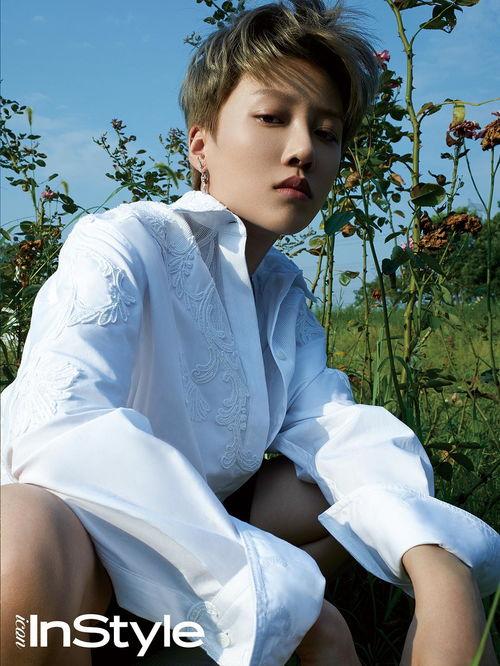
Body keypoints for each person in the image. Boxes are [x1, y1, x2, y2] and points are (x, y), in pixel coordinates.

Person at [1, 1, 499, 665]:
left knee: (328, 486)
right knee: (22, 527)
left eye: (327, 132)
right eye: (271, 117)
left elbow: (337, 433)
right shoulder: (123, 243)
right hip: (67, 574)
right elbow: (60, 431)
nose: (303, 149)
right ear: (200, 145)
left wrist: (439, 569)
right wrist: (289, 600)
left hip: (169, 580)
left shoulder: (282, 292)